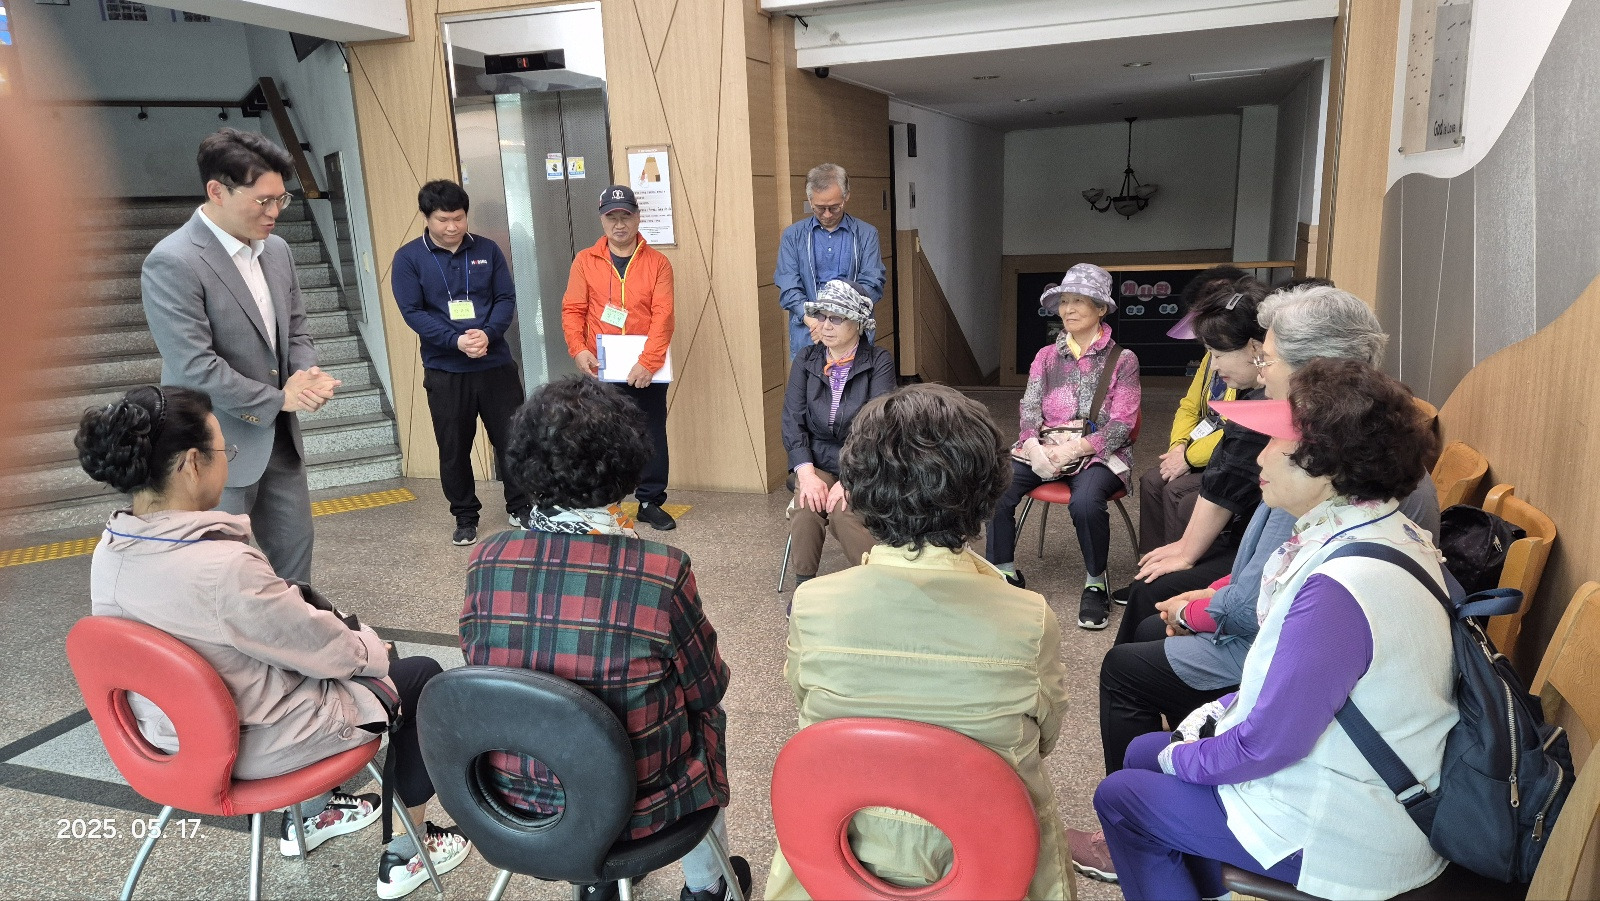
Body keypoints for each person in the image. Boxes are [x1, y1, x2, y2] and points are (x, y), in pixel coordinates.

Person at [1073, 283, 1443, 883]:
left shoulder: (1339, 585)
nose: (1260, 459)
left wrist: (1182, 755)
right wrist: (1194, 733)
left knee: (1124, 792)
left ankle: (1164, 843)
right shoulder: (1351, 518)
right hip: (1331, 746)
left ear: (1325, 462)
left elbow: (1270, 740)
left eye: (1275, 444)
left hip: (1344, 816)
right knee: (1143, 752)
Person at [77, 386, 471, 901]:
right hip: (251, 750)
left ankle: (310, 816)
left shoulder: (109, 550)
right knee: (420, 678)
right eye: (225, 449)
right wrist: (375, 650)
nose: (228, 460)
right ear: (192, 464)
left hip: (165, 747)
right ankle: (408, 850)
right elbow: (329, 650)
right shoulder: (223, 568)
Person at [766, 384, 1075, 900]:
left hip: (840, 858)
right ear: (987, 493)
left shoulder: (813, 604)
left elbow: (808, 705)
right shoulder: (1029, 618)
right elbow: (1045, 736)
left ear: (858, 489)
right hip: (990, 864)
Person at [459, 376, 749, 901]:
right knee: (704, 715)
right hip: (640, 808)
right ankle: (708, 888)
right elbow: (709, 687)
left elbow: (483, 670)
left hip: (513, 804)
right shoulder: (661, 570)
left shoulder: (487, 558)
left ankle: (598, 884)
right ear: (626, 464)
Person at [141, 129, 339, 584]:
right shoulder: (173, 261)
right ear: (217, 191)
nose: (274, 212)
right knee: (224, 570)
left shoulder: (278, 251)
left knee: (295, 558)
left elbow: (296, 329)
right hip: (213, 446)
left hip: (280, 443)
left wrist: (306, 375)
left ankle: (295, 628)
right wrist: (280, 399)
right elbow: (194, 366)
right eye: (263, 201)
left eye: (281, 199)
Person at [985, 262, 1141, 630]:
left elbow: (1122, 424)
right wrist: (1032, 446)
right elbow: (1029, 409)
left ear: (1100, 309)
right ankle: (1003, 572)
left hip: (1099, 453)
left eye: (1078, 301)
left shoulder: (1123, 360)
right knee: (996, 485)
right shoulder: (1045, 356)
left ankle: (1095, 582)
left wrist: (1072, 451)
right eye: (1064, 301)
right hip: (1044, 448)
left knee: (1085, 501)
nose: (1068, 309)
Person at [1114, 277, 1271, 639]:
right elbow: (1193, 412)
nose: (1213, 366)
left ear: (1256, 347)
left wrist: (1187, 553)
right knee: (1155, 482)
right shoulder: (1252, 391)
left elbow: (1227, 479)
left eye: (1218, 354)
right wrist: (1180, 447)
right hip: (1251, 536)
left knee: (1151, 590)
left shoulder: (1266, 405)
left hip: (1260, 551)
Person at [391, 179, 530, 547]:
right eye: (443, 219)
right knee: (454, 448)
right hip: (446, 370)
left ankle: (521, 506)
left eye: (458, 218)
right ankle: (465, 516)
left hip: (495, 364)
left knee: (513, 440)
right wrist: (455, 341)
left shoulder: (487, 250)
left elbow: (505, 298)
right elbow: (412, 311)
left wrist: (488, 334)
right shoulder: (409, 258)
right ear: (426, 218)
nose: (452, 226)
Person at [562, 185, 677, 531]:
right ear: (602, 220)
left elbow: (663, 316)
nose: (619, 224)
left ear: (637, 217)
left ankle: (649, 500)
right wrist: (578, 349)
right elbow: (573, 309)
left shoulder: (658, 263)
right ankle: (603, 500)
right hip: (601, 365)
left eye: (625, 215)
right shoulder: (585, 260)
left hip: (646, 367)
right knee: (600, 434)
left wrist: (649, 361)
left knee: (650, 433)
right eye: (611, 217)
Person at [781, 279, 896, 588]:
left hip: (863, 463)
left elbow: (878, 428)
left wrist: (849, 481)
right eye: (821, 316)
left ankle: (879, 586)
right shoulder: (807, 358)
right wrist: (806, 474)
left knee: (843, 511)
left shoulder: (878, 361)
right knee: (807, 504)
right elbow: (792, 420)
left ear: (857, 323)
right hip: (817, 460)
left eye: (836, 317)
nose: (826, 325)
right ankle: (804, 587)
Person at [1130, 267, 1245, 568]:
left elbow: (1235, 427)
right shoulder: (1210, 357)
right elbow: (1189, 407)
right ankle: (1150, 562)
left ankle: (1176, 569)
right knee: (1152, 480)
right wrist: (1179, 446)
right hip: (1199, 448)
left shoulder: (1247, 363)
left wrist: (1189, 458)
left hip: (1225, 455)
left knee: (1175, 490)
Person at [774, 163, 886, 358]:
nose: (827, 214)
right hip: (809, 333)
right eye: (819, 208)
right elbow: (788, 285)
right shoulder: (793, 236)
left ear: (846, 196)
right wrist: (813, 321)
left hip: (852, 334)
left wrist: (841, 321)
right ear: (810, 199)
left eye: (834, 207)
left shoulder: (866, 234)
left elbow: (872, 283)